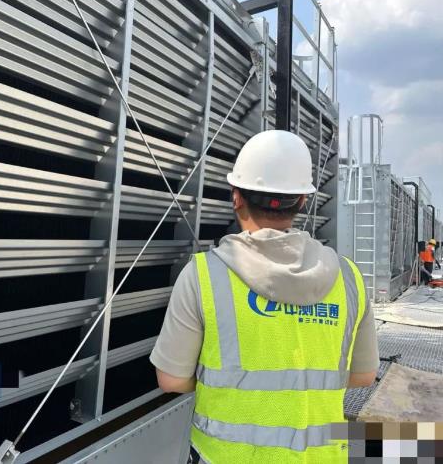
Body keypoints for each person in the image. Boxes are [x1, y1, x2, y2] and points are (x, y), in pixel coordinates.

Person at [150, 130, 379, 464]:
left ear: (236, 197)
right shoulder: (349, 278)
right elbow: (364, 375)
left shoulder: (203, 276)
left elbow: (171, 379)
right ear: (302, 201)